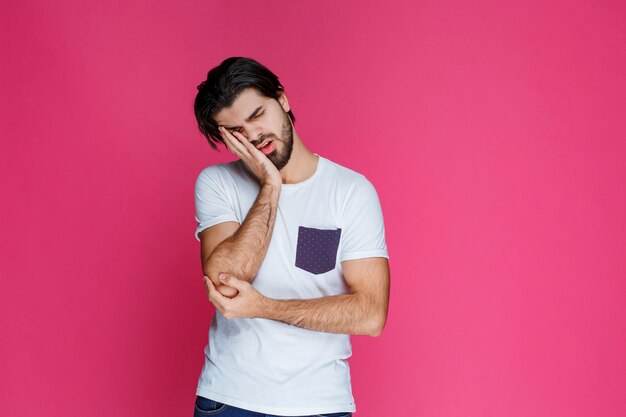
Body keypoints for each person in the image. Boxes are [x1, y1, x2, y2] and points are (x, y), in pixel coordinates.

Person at [192, 56, 390, 417]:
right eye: (235, 132)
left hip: (319, 403)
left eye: (256, 115)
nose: (252, 136)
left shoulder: (350, 191)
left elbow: (369, 314)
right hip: (230, 400)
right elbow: (227, 282)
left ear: (282, 99)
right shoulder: (217, 184)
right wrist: (271, 184)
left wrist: (264, 307)